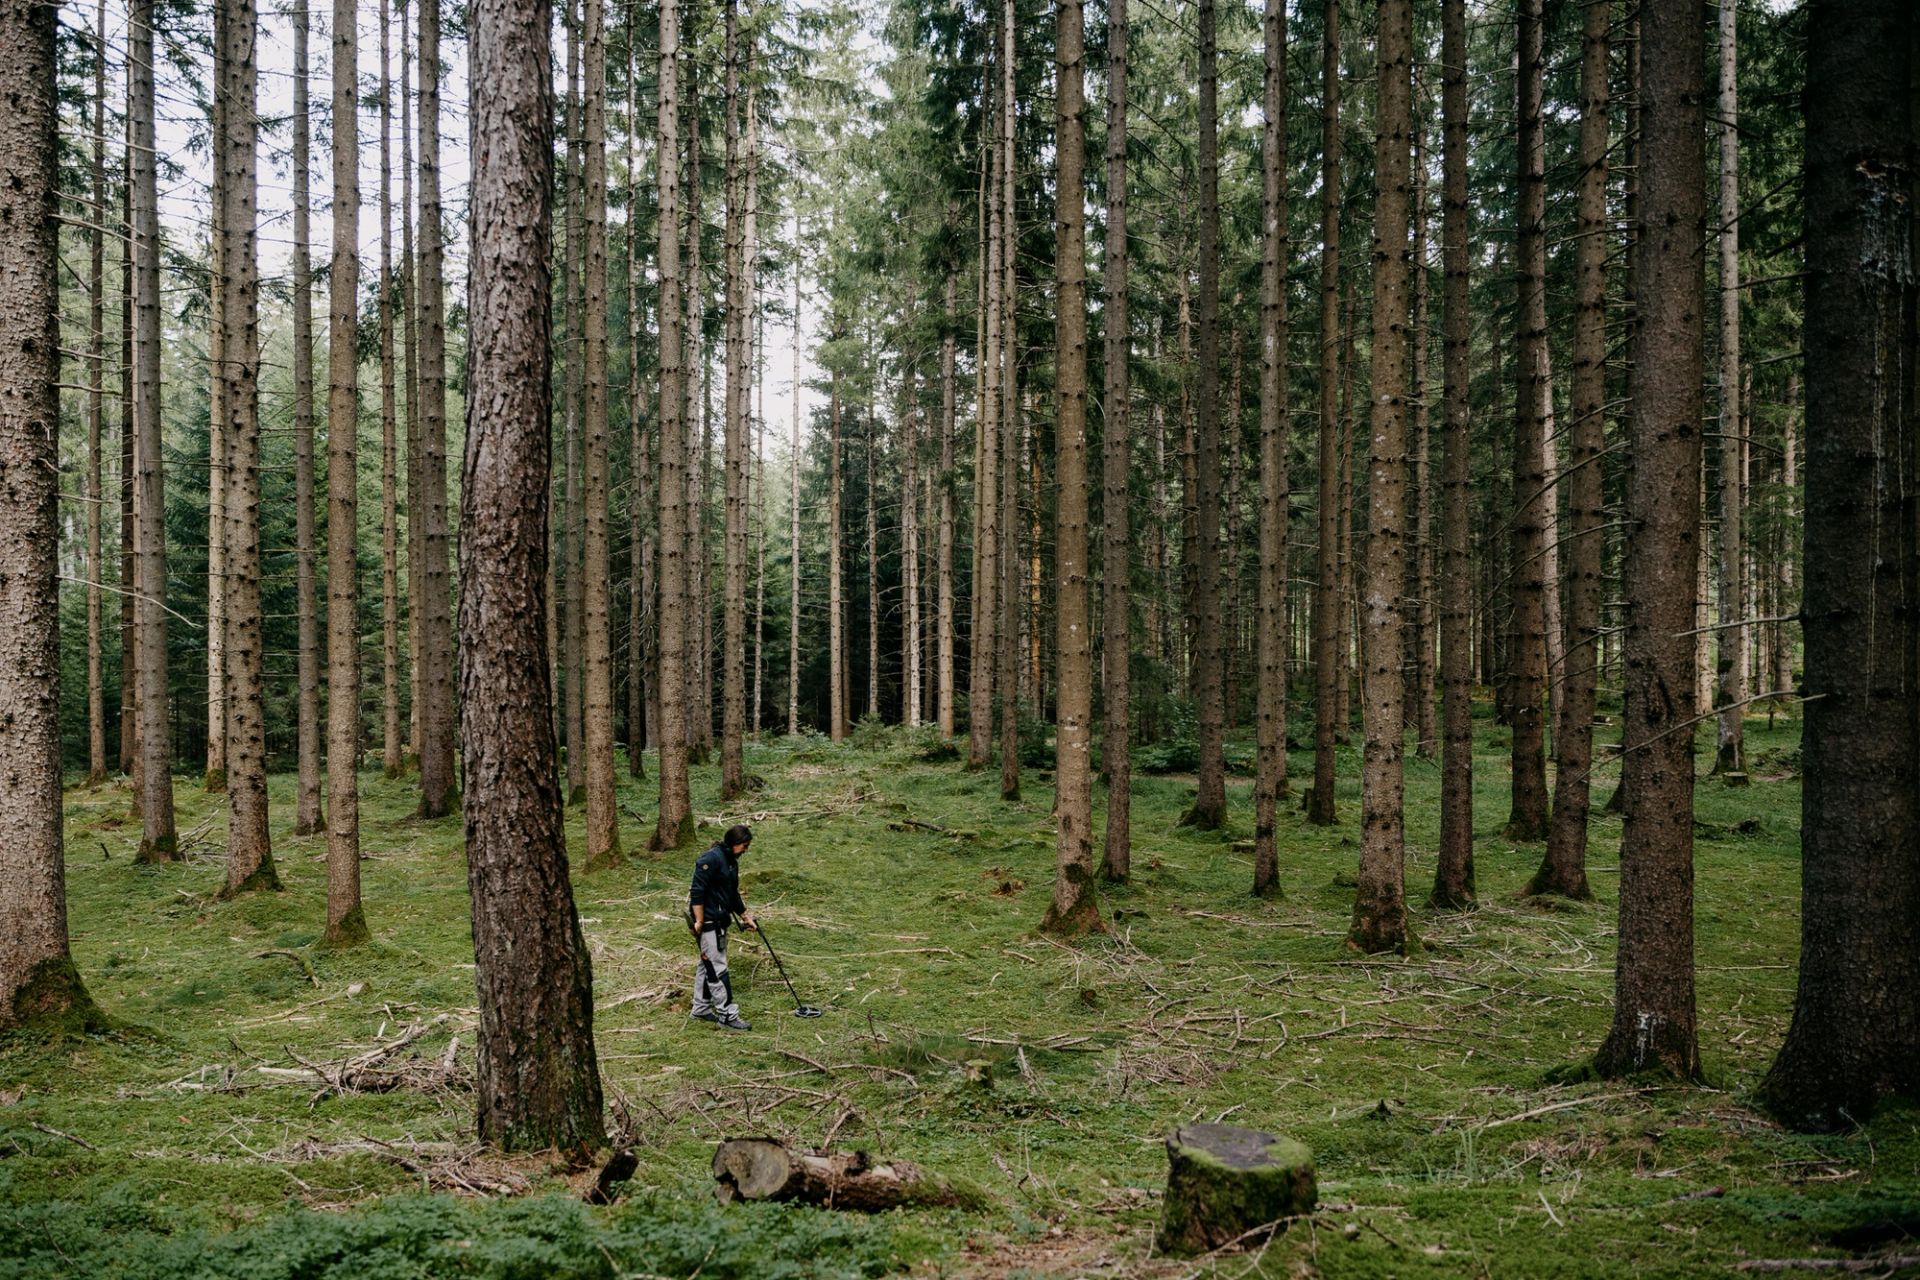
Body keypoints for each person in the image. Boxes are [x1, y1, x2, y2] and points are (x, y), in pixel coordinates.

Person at [688, 824, 757, 1031]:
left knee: (706, 964)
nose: (745, 850)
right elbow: (697, 892)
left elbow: (732, 893)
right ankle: (728, 1014)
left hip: (720, 920)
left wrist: (745, 916)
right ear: (735, 843)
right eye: (744, 846)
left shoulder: (730, 861)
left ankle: (700, 1008)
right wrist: (699, 921)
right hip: (708, 921)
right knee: (718, 968)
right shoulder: (711, 859)